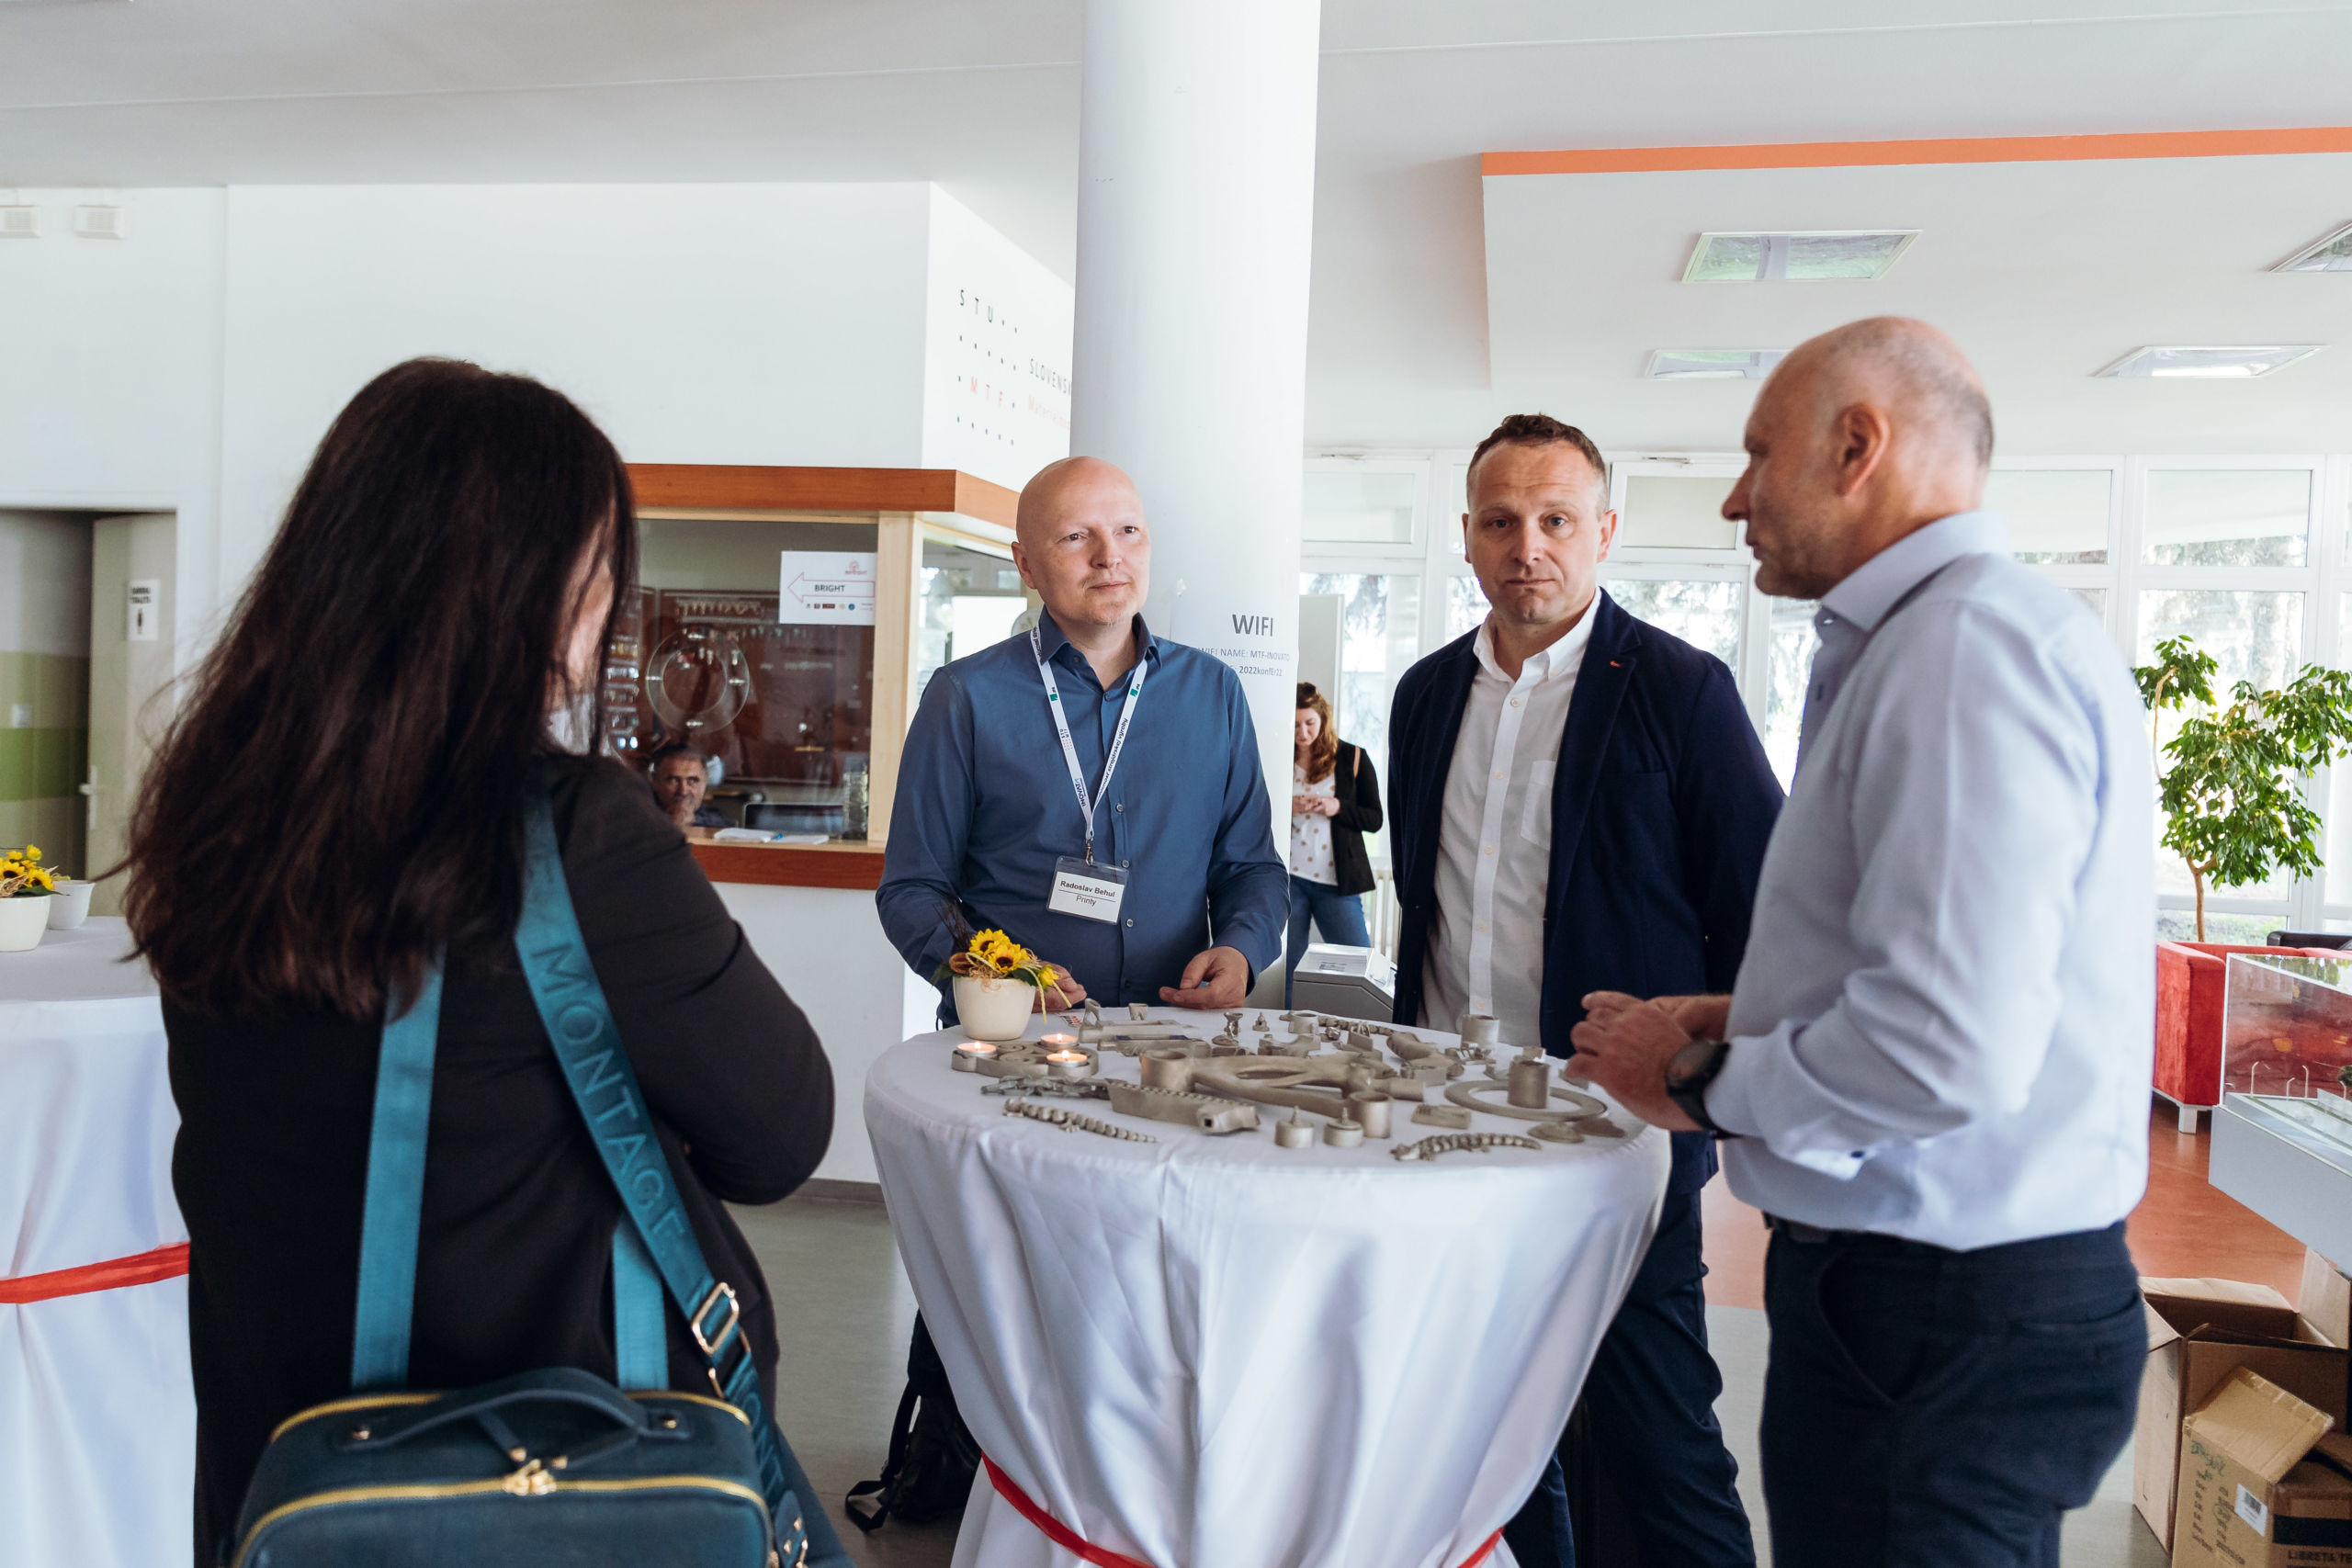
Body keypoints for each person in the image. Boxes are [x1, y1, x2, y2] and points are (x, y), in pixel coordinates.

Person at [127, 359, 835, 1563]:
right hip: (541, 1482)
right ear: (524, 591)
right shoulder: (571, 834)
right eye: (596, 568)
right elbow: (781, 1131)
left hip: (296, 1482)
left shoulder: (215, 812)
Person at [1569, 318, 2154, 1567]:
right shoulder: (1945, 638)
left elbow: (1944, 1049)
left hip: (1937, 1310)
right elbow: (1949, 973)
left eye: (1757, 454)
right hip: (1934, 1299)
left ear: (1856, 447)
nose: (1735, 498)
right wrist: (1750, 1014)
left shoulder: (1962, 652)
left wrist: (1694, 1080)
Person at [1388, 412, 1779, 1568]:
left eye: (1556, 520)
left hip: (1615, 1132)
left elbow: (1757, 914)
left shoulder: (1681, 691)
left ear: (1604, 532)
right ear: (1466, 535)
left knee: (1655, 1441)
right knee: (1485, 1438)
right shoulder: (1423, 696)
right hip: (1449, 1126)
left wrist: (1706, 1090)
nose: (1529, 547)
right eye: (1501, 521)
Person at [876, 455, 1286, 1014]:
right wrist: (998, 978)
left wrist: (1242, 950)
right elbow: (913, 889)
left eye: (1128, 530)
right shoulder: (965, 697)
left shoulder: (1214, 691)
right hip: (1014, 1037)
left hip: (1176, 1035)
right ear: (1026, 564)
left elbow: (1252, 868)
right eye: (1076, 536)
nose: (1109, 556)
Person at [1284, 681, 1382, 1003]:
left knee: (1358, 968)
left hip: (1337, 882)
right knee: (1283, 971)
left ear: (1323, 719)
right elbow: (1256, 811)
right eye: (1295, 724)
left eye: (1309, 723)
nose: (1303, 732)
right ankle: (1283, 1027)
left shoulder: (1353, 757)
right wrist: (1288, 807)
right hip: (1289, 880)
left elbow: (1375, 819)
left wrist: (1337, 806)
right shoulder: (1278, 756)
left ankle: (1359, 1027)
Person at [647, 741, 729, 831]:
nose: (683, 791)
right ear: (655, 781)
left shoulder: (721, 824)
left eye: (692, 781)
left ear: (704, 781)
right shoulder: (640, 819)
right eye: (673, 780)